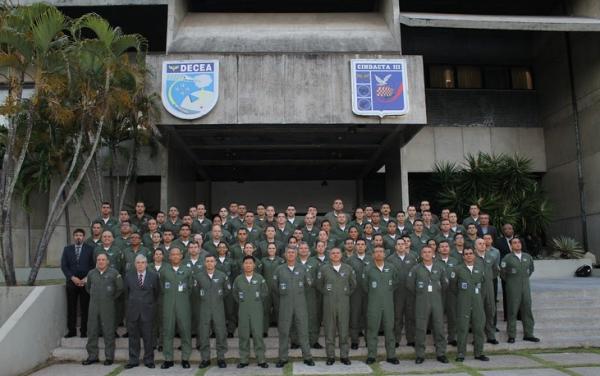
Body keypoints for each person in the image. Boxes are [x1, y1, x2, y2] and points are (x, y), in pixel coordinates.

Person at [272, 246, 315, 367]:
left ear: (296, 254)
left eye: (293, 252)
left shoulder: (303, 268)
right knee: (284, 331)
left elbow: (308, 285)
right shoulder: (279, 269)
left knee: (303, 331)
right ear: (285, 255)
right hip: (285, 304)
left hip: (300, 304)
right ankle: (283, 358)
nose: (290, 254)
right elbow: (275, 287)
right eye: (288, 252)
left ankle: (307, 357)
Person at [407, 245, 449, 364]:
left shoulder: (440, 267)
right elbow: (410, 285)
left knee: (439, 328)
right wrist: (421, 293)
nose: (427, 254)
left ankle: (441, 353)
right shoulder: (416, 268)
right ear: (421, 254)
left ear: (433, 254)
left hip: (436, 300)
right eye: (424, 252)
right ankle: (420, 354)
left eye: (429, 252)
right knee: (420, 328)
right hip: (421, 301)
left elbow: (445, 284)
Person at [316, 247, 356, 365]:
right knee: (329, 330)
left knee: (344, 330)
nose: (335, 255)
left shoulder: (348, 268)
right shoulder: (324, 269)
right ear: (329, 255)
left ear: (341, 255)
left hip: (344, 304)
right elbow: (319, 285)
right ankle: (331, 356)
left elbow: (353, 285)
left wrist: (345, 294)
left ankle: (344, 356)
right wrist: (328, 293)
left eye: (337, 253)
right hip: (329, 303)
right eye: (333, 253)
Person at [82, 253, 123, 366]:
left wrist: (109, 298)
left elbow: (119, 289)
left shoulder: (114, 273)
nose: (101, 261)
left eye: (103, 259)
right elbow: (88, 287)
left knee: (108, 331)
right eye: (99, 259)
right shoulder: (91, 273)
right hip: (93, 306)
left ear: (107, 261)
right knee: (92, 330)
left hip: (108, 306)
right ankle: (92, 356)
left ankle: (109, 357)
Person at [450, 248, 489, 362]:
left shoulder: (480, 268)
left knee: (479, 328)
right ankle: (461, 354)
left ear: (474, 255)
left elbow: (483, 285)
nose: (468, 256)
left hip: (477, 302)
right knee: (462, 329)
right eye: (466, 254)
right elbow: (453, 287)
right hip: (463, 303)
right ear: (463, 256)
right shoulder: (457, 269)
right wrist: (463, 296)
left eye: (471, 253)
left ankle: (479, 353)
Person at [362, 245, 399, 364]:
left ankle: (391, 356)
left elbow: (395, 283)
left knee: (389, 330)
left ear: (384, 254)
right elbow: (365, 286)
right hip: (373, 304)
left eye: (381, 251)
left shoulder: (391, 267)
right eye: (376, 252)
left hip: (388, 304)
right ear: (372, 255)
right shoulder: (368, 268)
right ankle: (372, 355)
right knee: (372, 330)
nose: (378, 254)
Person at [193, 254, 230, 369]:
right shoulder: (199, 276)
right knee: (204, 334)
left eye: (212, 261)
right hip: (204, 309)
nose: (209, 263)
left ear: (215, 263)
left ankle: (221, 358)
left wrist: (217, 298)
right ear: (205, 263)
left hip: (218, 308)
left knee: (220, 332)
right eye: (207, 261)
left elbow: (227, 290)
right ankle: (205, 358)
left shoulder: (222, 275)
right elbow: (195, 291)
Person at [233, 255, 270, 369]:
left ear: (254, 265)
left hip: (256, 310)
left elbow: (264, 292)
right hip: (243, 310)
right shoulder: (238, 279)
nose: (248, 265)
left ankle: (261, 359)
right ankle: (244, 359)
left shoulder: (259, 278)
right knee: (243, 335)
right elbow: (235, 295)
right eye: (246, 263)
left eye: (250, 263)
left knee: (258, 335)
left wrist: (255, 301)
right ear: (243, 265)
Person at [500, 237, 539, 344]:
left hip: (525, 287)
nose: (517, 244)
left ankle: (529, 334)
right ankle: (511, 335)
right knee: (512, 311)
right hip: (512, 287)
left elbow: (530, 270)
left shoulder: (527, 257)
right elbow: (503, 273)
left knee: (527, 310)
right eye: (515, 243)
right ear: (511, 246)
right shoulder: (507, 258)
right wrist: (512, 281)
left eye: (519, 242)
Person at [124, 254, 160, 369]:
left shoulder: (153, 276)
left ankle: (149, 360)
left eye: (143, 262)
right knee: (133, 337)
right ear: (135, 264)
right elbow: (126, 293)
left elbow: (157, 292)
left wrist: (149, 305)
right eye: (138, 263)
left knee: (148, 337)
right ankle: (133, 360)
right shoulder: (128, 276)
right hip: (133, 311)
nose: (140, 265)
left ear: (146, 264)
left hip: (147, 312)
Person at [159, 247, 193, 369]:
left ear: (181, 256)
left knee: (185, 331)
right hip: (168, 306)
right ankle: (168, 359)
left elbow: (190, 288)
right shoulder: (164, 271)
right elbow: (162, 287)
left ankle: (185, 358)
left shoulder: (187, 270)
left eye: (177, 254)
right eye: (172, 254)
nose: (175, 256)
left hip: (183, 305)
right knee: (167, 332)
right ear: (169, 257)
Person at [61, 228, 95, 338]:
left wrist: (86, 278)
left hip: (85, 282)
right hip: (72, 283)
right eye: (76, 235)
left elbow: (93, 265)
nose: (78, 237)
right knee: (71, 307)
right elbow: (64, 266)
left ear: (84, 237)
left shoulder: (90, 249)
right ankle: (71, 331)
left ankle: (84, 331)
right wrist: (72, 277)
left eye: (80, 235)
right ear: (73, 237)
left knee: (85, 308)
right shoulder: (67, 249)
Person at [386, 238, 417, 348]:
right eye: (398, 244)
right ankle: (396, 339)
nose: (400, 246)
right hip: (397, 293)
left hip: (410, 292)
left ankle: (411, 339)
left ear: (406, 245)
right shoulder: (390, 259)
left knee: (410, 316)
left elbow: (415, 276)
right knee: (397, 317)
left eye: (402, 244)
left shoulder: (412, 258)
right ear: (395, 246)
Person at [347, 238, 372, 349]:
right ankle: (354, 341)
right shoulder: (350, 260)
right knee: (354, 317)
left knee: (369, 317)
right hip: (355, 293)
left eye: (363, 244)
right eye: (358, 244)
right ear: (355, 246)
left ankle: (369, 340)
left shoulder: (371, 259)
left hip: (369, 293)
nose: (361, 246)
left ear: (366, 246)